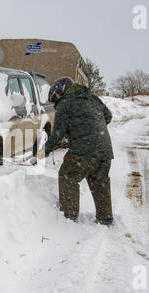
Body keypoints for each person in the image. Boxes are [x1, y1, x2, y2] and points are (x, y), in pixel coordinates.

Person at [44, 77, 114, 225]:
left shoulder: (65, 103)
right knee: (99, 181)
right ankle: (105, 218)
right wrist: (89, 126)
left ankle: (69, 216)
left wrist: (44, 151)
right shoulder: (93, 98)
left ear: (61, 92)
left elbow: (57, 133)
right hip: (105, 150)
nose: (56, 100)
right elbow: (108, 116)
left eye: (56, 96)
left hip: (84, 151)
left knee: (67, 175)